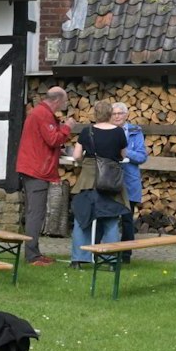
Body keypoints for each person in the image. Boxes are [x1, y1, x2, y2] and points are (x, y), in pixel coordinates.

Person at [13, 86, 73, 265]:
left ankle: (35, 252)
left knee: (35, 213)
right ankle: (32, 256)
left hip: (34, 167)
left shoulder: (40, 113)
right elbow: (53, 139)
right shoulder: (43, 114)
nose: (65, 104)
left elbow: (45, 140)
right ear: (57, 100)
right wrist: (67, 128)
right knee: (36, 213)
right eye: (64, 101)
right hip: (37, 169)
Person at [68, 100, 130, 267]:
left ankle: (78, 259)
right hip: (110, 180)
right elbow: (123, 155)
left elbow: (76, 156)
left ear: (95, 114)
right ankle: (109, 260)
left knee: (82, 219)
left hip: (88, 181)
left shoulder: (86, 131)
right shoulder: (118, 132)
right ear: (110, 114)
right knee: (110, 220)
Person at [111, 101, 150, 245]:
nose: (117, 116)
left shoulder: (135, 132)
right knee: (109, 217)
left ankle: (126, 254)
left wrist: (125, 152)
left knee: (127, 219)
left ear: (126, 115)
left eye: (120, 113)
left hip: (129, 181)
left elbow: (141, 157)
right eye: (114, 114)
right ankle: (107, 249)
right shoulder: (106, 131)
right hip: (110, 180)